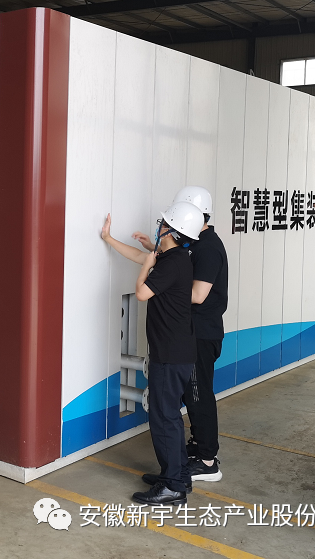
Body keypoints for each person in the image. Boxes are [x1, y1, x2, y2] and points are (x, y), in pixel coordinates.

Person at [101, 202, 203, 506]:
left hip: (170, 355)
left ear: (171, 231)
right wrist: (109, 238)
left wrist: (147, 265)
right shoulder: (175, 257)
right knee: (168, 416)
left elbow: (142, 292)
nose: (159, 227)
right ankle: (178, 474)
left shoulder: (170, 263)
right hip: (176, 351)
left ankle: (173, 486)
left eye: (163, 224)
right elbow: (139, 255)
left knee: (163, 417)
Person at [134, 187, 228, 484]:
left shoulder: (208, 248)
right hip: (187, 333)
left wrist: (165, 284)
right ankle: (195, 453)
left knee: (198, 397)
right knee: (189, 396)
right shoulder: (193, 244)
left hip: (200, 334)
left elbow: (197, 295)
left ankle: (207, 460)